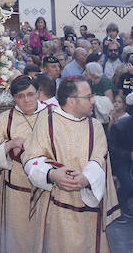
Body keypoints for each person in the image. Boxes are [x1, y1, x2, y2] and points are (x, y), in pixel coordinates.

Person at [22, 76, 120, 252]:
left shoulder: (95, 125)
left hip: (89, 211)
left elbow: (100, 158)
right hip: (56, 210)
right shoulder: (47, 121)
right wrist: (51, 174)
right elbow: (31, 158)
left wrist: (86, 178)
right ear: (71, 101)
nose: (93, 101)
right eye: (88, 97)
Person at [0, 76, 45, 252]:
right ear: (14, 98)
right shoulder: (5, 119)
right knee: (19, 240)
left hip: (49, 189)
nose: (27, 100)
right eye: (20, 96)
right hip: (17, 191)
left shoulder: (52, 115)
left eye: (30, 94)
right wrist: (8, 145)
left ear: (38, 93)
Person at [108, 103, 133, 220]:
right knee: (128, 184)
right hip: (119, 161)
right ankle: (117, 208)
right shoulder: (119, 126)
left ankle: (121, 201)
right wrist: (128, 155)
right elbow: (110, 147)